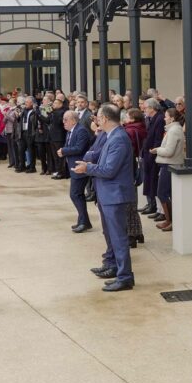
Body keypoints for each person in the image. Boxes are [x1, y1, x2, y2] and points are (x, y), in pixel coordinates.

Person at [75, 105, 135, 292]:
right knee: (111, 235)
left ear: (106, 119)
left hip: (114, 195)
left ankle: (125, 277)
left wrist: (87, 168)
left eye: (99, 117)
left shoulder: (118, 138)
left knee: (118, 238)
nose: (97, 120)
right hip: (108, 194)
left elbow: (109, 170)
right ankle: (116, 268)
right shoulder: (112, 136)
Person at [61, 110, 97, 234]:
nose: (63, 122)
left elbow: (79, 148)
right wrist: (64, 151)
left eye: (66, 119)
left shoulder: (81, 130)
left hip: (80, 166)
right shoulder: (71, 131)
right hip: (74, 167)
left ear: (73, 120)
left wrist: (64, 151)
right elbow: (69, 145)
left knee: (75, 194)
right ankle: (83, 221)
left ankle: (84, 222)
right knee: (77, 194)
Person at [151, 105, 185, 232]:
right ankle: (169, 220)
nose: (164, 119)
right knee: (168, 194)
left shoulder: (174, 131)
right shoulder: (174, 129)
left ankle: (171, 220)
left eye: (166, 117)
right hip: (169, 164)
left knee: (162, 193)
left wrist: (157, 150)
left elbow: (169, 151)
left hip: (169, 164)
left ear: (172, 118)